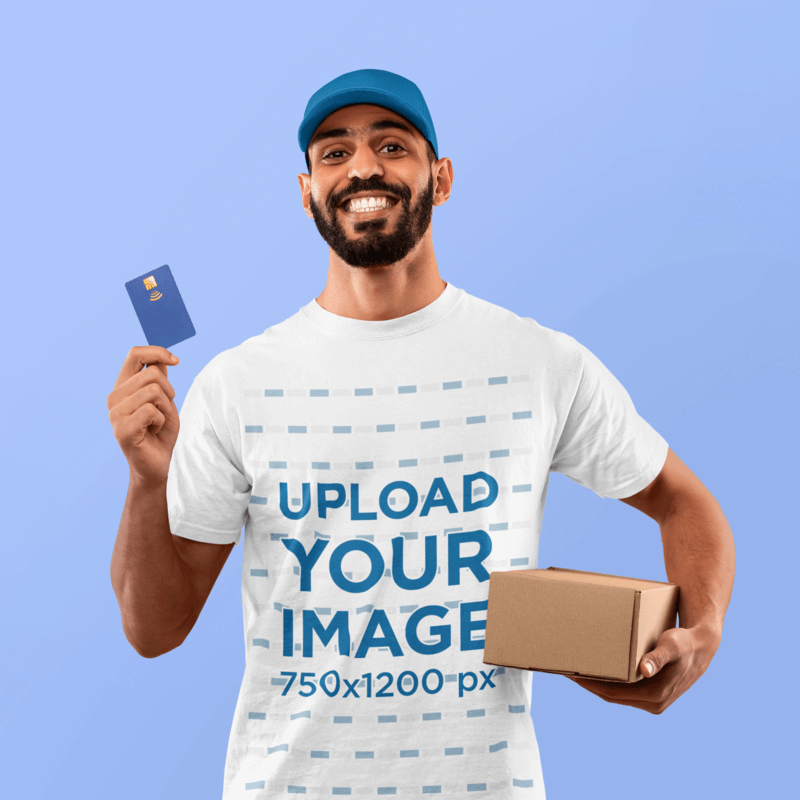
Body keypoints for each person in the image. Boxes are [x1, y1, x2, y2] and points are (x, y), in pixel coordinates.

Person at [107, 69, 734, 800]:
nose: (364, 167)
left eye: (392, 145)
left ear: (441, 178)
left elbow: (683, 500)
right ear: (306, 191)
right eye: (334, 153)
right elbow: (155, 631)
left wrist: (704, 631)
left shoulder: (538, 363)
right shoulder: (239, 384)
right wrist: (148, 481)